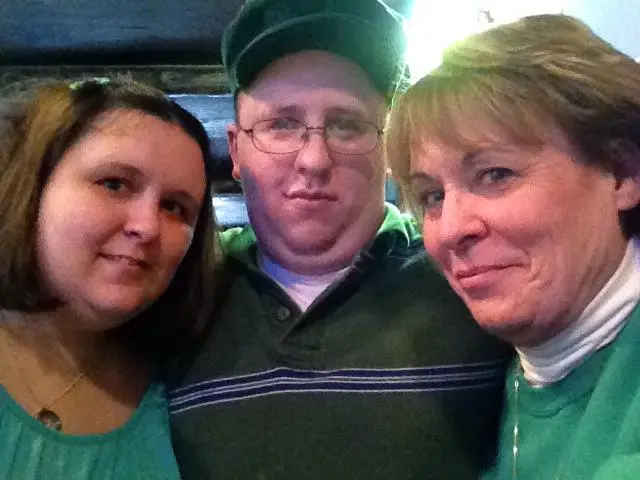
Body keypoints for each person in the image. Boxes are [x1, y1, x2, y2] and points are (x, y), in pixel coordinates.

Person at [169, 1, 512, 478]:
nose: (313, 160)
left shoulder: (474, 275)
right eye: (281, 124)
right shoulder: (176, 295)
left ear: (390, 145)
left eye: (347, 125)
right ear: (236, 150)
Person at [386, 13, 640, 480]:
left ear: (624, 173)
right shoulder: (483, 389)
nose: (451, 229)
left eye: (495, 174)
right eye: (433, 196)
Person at [0, 76, 218, 479]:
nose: (147, 227)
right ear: (34, 184)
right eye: (114, 184)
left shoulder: (177, 389)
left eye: (175, 207)